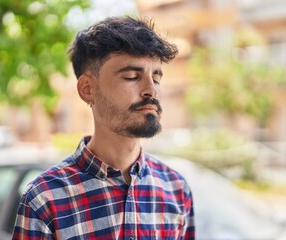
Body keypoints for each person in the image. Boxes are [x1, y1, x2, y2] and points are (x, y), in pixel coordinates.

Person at [12, 16, 195, 240]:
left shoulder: (176, 189)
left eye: (156, 78)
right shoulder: (45, 198)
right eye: (132, 76)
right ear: (88, 89)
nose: (151, 91)